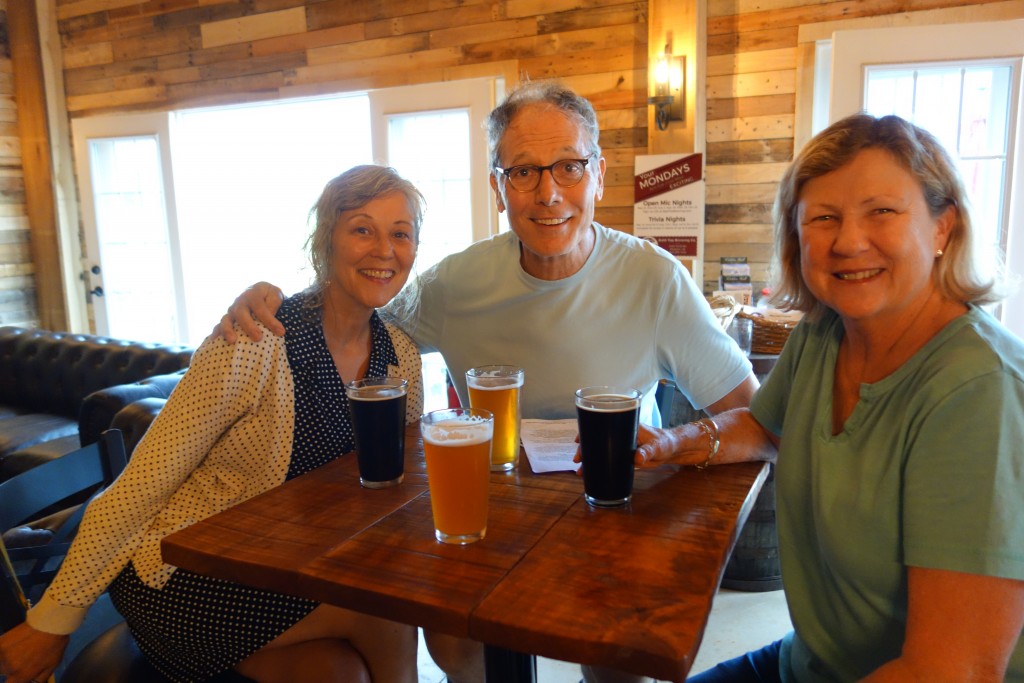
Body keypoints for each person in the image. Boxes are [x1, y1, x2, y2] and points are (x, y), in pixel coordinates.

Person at [216, 81, 759, 683]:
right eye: (523, 171)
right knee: (456, 643)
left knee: (615, 660)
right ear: (499, 189)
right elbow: (354, 311)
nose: (548, 192)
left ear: (599, 176)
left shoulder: (656, 280)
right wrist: (274, 301)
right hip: (489, 520)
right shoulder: (456, 284)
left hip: (613, 514)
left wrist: (678, 445)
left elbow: (751, 417)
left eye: (570, 167)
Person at [0, 165, 426, 683]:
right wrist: (53, 622)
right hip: (189, 572)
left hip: (299, 567)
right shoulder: (252, 342)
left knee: (341, 672)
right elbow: (139, 487)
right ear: (326, 241)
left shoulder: (400, 356)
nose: (384, 249)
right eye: (362, 228)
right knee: (386, 612)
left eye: (400, 233)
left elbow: (393, 486)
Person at [636, 113, 1024, 681]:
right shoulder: (825, 333)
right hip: (812, 661)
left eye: (882, 212)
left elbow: (951, 670)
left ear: (944, 227)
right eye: (823, 218)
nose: (848, 241)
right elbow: (766, 427)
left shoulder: (978, 392)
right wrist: (673, 440)